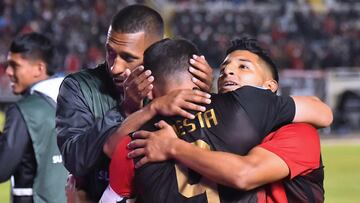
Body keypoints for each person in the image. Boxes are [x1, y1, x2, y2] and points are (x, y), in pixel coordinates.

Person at [104, 38, 331, 202]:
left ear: (269, 87)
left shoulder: (298, 133)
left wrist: (172, 145)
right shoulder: (242, 115)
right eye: (222, 70)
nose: (228, 72)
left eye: (243, 66)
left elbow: (244, 174)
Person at [56, 4, 213, 202]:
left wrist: (207, 93)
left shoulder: (174, 82)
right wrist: (126, 110)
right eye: (110, 52)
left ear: (156, 49)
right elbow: (75, 160)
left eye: (128, 58)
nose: (115, 67)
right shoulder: (79, 87)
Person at [0, 33, 67, 203]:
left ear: (39, 68)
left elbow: (2, 169)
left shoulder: (23, 110)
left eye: (14, 65)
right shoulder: (77, 102)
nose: (8, 72)